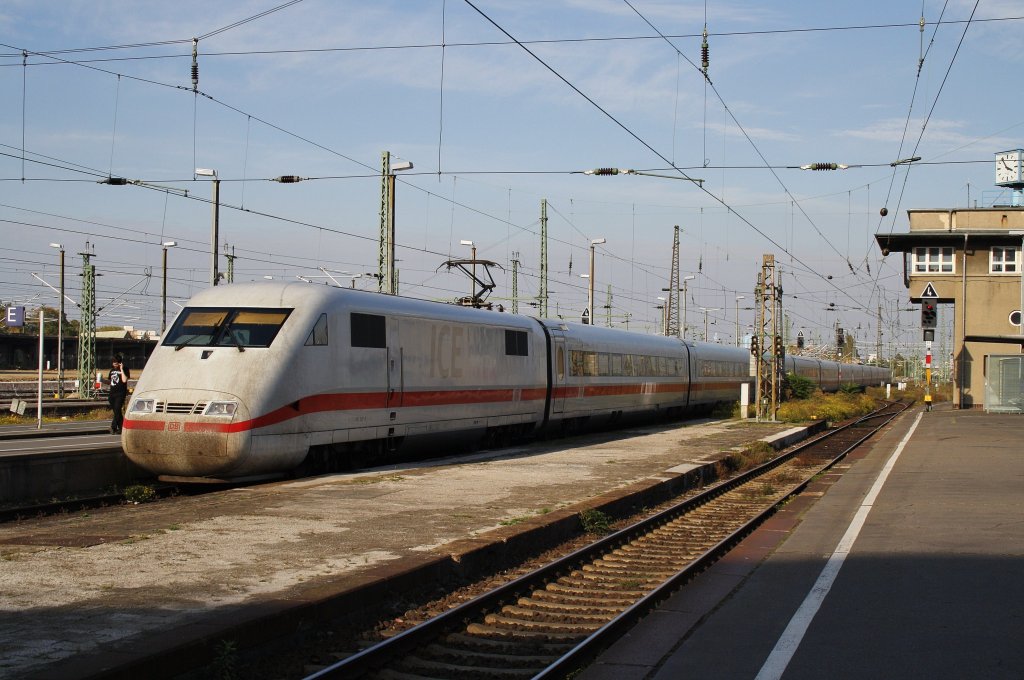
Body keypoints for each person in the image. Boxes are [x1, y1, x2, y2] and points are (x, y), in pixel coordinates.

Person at [107, 354, 130, 434]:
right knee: (117, 412)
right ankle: (121, 428)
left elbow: (124, 380)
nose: (114, 364)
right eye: (113, 362)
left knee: (117, 410)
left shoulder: (125, 369)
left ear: (120, 362)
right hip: (112, 394)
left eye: (116, 362)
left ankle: (113, 427)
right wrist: (102, 380)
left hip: (120, 394)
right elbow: (110, 382)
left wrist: (121, 369)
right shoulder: (111, 370)